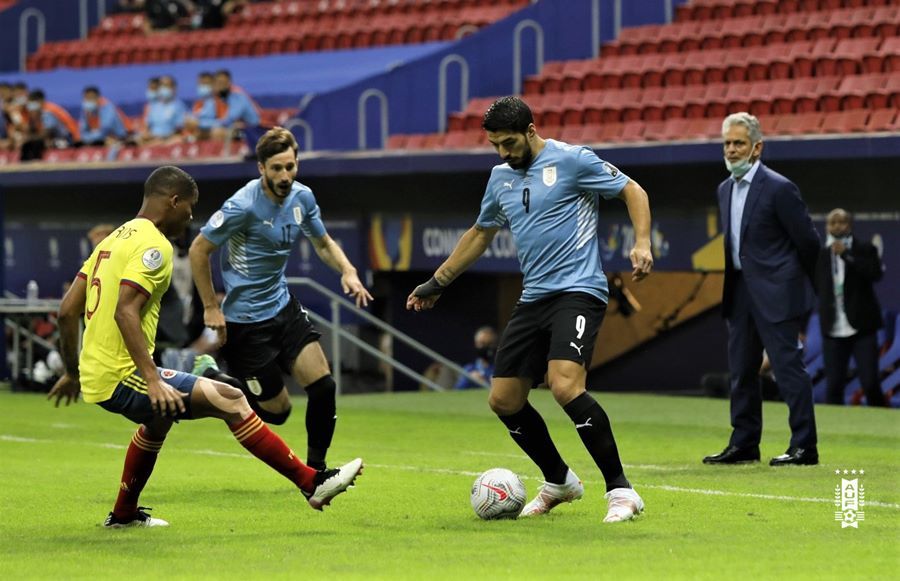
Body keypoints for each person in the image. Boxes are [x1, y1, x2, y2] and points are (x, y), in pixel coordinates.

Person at [47, 166, 362, 527]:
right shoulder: (154, 245)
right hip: (122, 374)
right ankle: (312, 483)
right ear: (173, 200)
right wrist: (151, 378)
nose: (192, 216)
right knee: (231, 399)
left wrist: (74, 372)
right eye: (190, 207)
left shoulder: (112, 239)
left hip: (103, 372)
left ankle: (123, 513)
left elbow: (66, 311)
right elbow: (125, 311)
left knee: (158, 421)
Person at [407, 96, 652, 523]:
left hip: (578, 290)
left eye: (508, 143)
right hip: (534, 297)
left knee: (564, 386)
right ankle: (559, 480)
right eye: (495, 145)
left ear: (530, 131)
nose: (503, 152)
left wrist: (642, 242)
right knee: (503, 399)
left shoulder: (573, 160)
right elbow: (480, 234)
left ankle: (621, 491)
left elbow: (633, 190)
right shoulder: (500, 177)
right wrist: (438, 282)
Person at [189, 127, 372, 471]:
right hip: (245, 323)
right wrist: (211, 307)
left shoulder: (303, 197)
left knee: (323, 386)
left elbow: (323, 243)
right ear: (261, 168)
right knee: (279, 412)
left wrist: (347, 270)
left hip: (283, 307)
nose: (285, 175)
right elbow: (199, 250)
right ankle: (217, 380)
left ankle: (317, 471)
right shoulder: (242, 206)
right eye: (276, 168)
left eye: (290, 166)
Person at [704, 112, 821, 467]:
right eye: (727, 143)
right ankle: (744, 444)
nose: (732, 149)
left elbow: (809, 243)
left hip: (777, 293)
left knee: (787, 369)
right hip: (739, 291)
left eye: (739, 143)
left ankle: (805, 446)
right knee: (741, 370)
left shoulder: (779, 187)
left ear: (757, 147)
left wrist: (795, 287)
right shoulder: (724, 188)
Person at [815, 209, 886, 407]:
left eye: (842, 222)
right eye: (832, 222)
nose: (837, 226)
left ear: (850, 225)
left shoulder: (865, 249)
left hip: (862, 327)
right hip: (833, 327)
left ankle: (885, 425)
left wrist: (847, 255)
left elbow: (875, 274)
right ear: (826, 226)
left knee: (870, 382)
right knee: (834, 385)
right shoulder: (820, 255)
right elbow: (815, 288)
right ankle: (833, 432)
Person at [141, 76, 187, 144]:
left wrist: (164, 138)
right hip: (153, 138)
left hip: (169, 139)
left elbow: (180, 129)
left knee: (177, 140)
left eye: (166, 86)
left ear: (174, 88)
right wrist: (147, 135)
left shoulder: (179, 106)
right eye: (161, 86)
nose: (163, 89)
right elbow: (147, 127)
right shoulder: (154, 107)